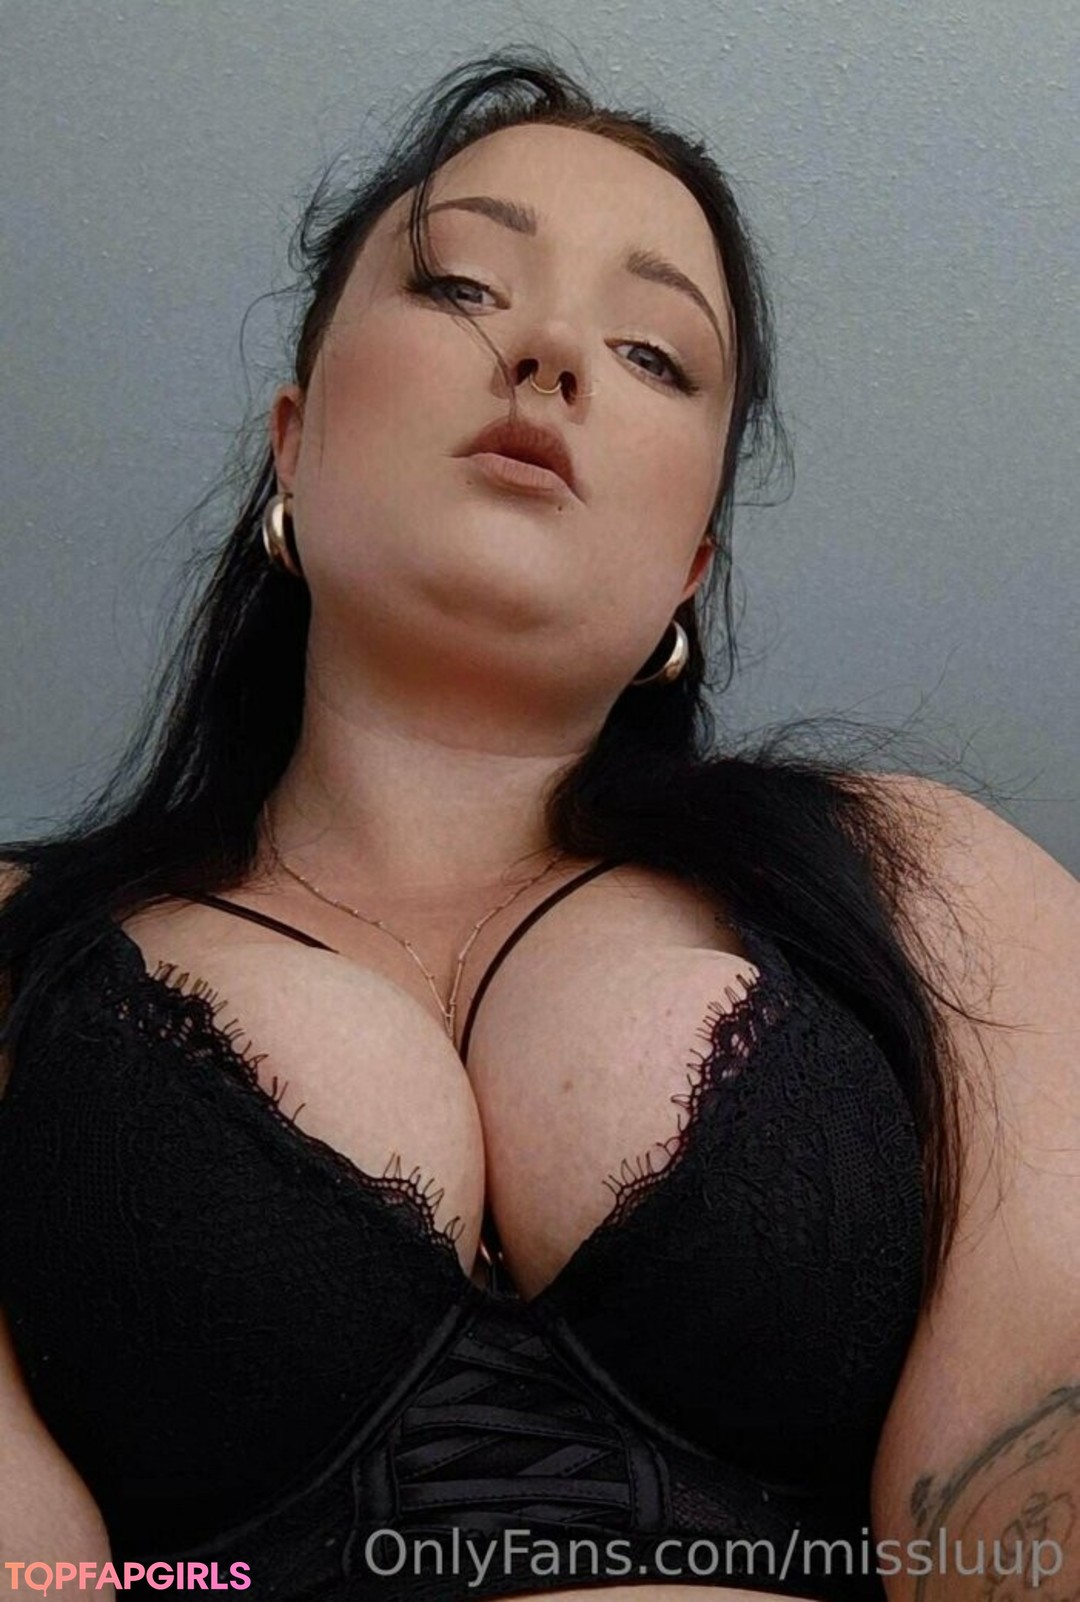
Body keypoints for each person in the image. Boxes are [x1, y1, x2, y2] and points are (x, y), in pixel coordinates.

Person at [0, 48, 1076, 1602]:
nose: (557, 351)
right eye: (459, 287)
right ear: (292, 441)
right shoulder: (23, 952)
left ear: (691, 564)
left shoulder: (927, 883)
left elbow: (1038, 1459)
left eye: (653, 352)